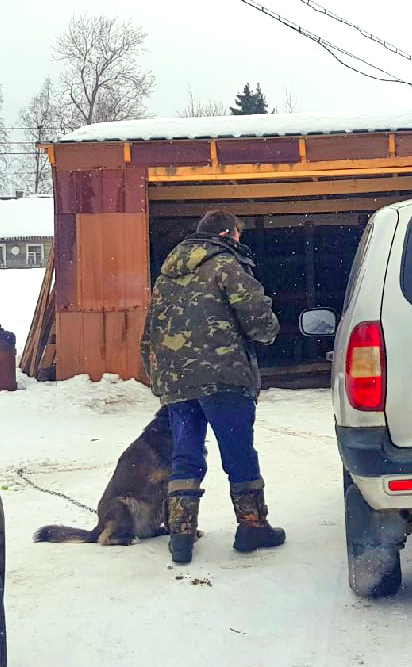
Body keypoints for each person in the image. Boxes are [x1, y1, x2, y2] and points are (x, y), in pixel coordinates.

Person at [140, 210, 283, 564]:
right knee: (238, 454)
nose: (239, 241)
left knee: (185, 456)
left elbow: (149, 336)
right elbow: (258, 320)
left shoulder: (167, 276)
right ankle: (252, 526)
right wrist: (267, 332)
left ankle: (181, 536)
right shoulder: (226, 265)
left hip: (178, 384)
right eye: (238, 234)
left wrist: (162, 379)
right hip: (224, 379)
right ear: (227, 233)